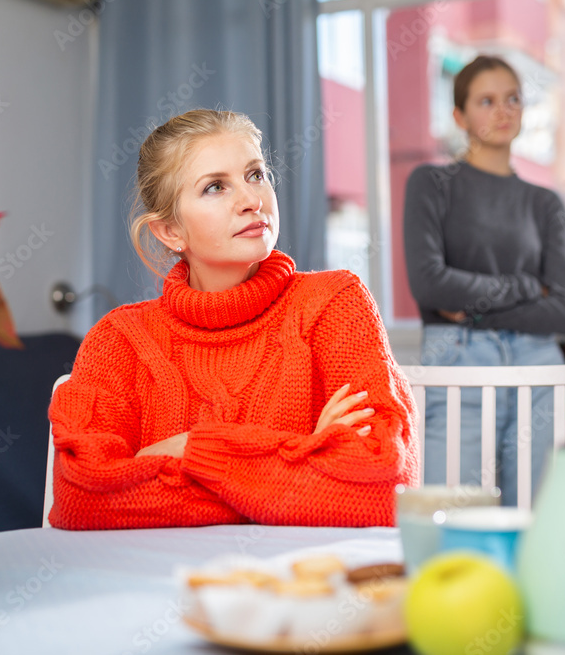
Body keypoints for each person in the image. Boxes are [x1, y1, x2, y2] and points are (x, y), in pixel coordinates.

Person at [48, 109, 419, 530]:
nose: (252, 200)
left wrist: (187, 449)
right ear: (170, 231)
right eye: (216, 187)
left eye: (256, 175)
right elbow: (82, 499)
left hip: (296, 585)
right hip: (153, 585)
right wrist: (302, 455)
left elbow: (383, 488)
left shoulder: (335, 303)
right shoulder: (119, 339)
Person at [403, 55, 565, 506]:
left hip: (538, 363)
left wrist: (471, 306)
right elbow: (430, 286)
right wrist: (527, 287)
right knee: (453, 518)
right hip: (459, 358)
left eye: (513, 99)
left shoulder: (545, 203)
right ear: (459, 116)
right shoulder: (432, 183)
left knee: (535, 520)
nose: (503, 111)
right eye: (487, 101)